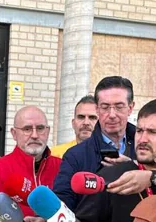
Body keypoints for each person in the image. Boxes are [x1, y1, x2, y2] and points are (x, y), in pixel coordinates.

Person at [52, 76, 138, 210]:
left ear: (130, 108)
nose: (112, 114)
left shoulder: (146, 148)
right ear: (97, 109)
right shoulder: (75, 155)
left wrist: (135, 167)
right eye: (105, 107)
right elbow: (62, 198)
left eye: (119, 107)